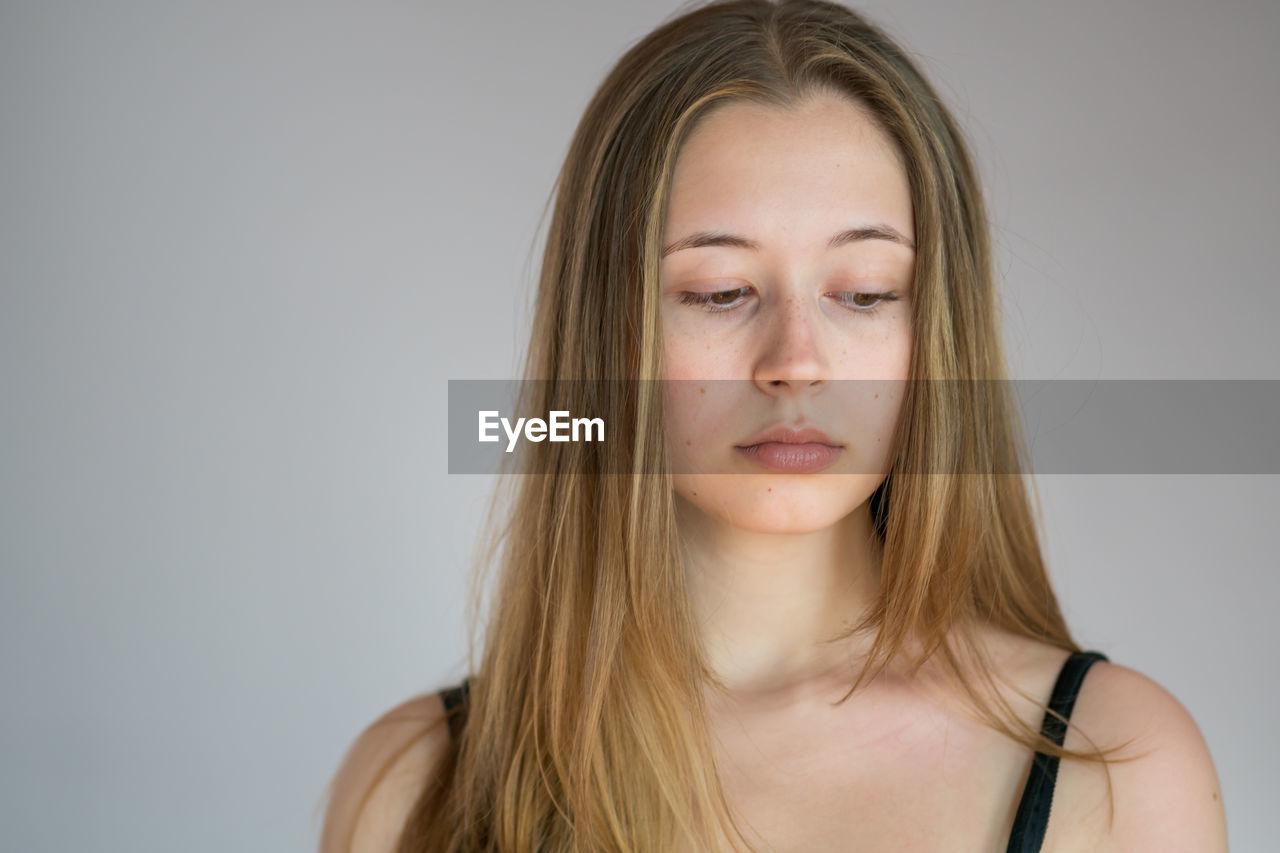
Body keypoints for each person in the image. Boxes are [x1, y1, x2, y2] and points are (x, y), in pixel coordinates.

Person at [319, 1, 1228, 850]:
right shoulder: (410, 785)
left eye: (866, 293)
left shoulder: (1116, 766)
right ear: (607, 331)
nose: (797, 359)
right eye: (720, 294)